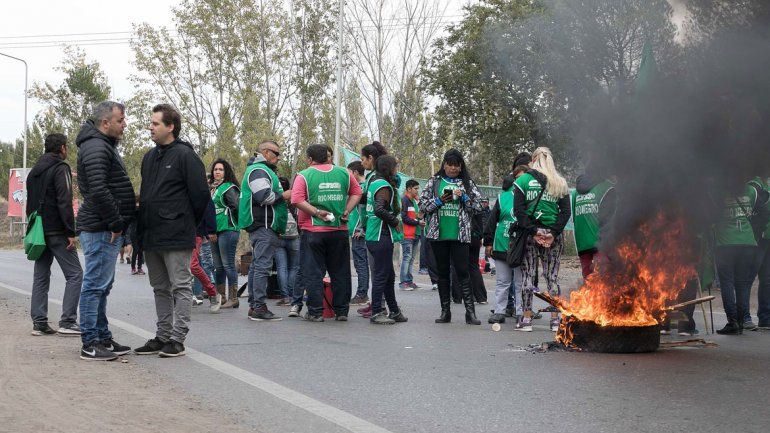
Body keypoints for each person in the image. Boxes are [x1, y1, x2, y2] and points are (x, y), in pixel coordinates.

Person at [134, 104, 210, 358]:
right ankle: (162, 335)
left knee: (180, 286)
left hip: (177, 233)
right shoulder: (149, 157)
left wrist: (186, 222)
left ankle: (177, 339)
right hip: (151, 234)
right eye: (151, 123)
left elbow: (200, 196)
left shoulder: (186, 156)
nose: (151, 128)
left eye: (155, 123)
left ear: (171, 126)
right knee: (159, 287)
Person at [76, 101, 136, 361]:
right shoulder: (96, 146)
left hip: (104, 226)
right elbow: (98, 189)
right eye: (121, 120)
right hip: (101, 227)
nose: (124, 125)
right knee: (94, 286)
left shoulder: (102, 145)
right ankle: (90, 343)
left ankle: (102, 337)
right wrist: (114, 222)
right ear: (105, 123)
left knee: (102, 285)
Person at [292, 144, 363, 322]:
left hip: (313, 231)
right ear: (327, 156)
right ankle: (341, 311)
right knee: (340, 272)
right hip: (339, 230)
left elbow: (296, 199)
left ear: (310, 159)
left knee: (313, 273)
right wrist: (347, 210)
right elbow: (357, 192)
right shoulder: (344, 173)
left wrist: (316, 212)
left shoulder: (304, 175)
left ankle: (315, 312)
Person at [26, 133, 83, 337]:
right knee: (75, 274)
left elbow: (29, 203)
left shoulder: (34, 172)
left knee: (41, 275)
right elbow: (64, 201)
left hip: (39, 230)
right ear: (62, 148)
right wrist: (70, 231)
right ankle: (68, 321)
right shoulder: (61, 168)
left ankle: (39, 323)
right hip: (58, 230)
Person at [418, 148, 483, 325]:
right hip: (438, 236)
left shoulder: (467, 183)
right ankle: (445, 311)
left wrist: (465, 199)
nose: (453, 168)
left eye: (456, 165)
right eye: (450, 165)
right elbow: (422, 206)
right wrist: (439, 201)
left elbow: (479, 207)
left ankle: (470, 313)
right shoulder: (434, 182)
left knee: (463, 272)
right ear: (444, 165)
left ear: (461, 167)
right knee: (442, 273)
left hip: (460, 236)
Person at [513, 147, 571, 332]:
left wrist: (534, 231)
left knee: (528, 275)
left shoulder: (522, 180)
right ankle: (555, 320)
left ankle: (527, 319)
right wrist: (552, 233)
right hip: (553, 237)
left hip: (530, 236)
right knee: (552, 277)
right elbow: (565, 212)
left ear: (533, 160)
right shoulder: (560, 183)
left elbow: (519, 212)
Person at [239, 140, 291, 321]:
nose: (278, 158)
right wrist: (284, 195)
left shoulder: (260, 170)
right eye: (276, 154)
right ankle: (259, 306)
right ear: (266, 153)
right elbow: (263, 196)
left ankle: (255, 305)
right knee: (262, 266)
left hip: (263, 225)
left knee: (257, 265)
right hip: (264, 225)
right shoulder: (259, 170)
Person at [364, 155, 408, 324]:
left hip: (374, 235)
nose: (396, 170)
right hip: (380, 236)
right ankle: (377, 312)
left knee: (389, 275)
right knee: (382, 276)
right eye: (395, 167)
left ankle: (394, 311)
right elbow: (379, 209)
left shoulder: (374, 183)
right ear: (389, 168)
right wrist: (395, 221)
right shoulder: (383, 186)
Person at [714, 180, 761, 335]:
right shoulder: (751, 190)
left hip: (726, 243)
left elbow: (709, 213)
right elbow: (760, 211)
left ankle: (733, 322)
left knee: (727, 282)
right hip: (747, 242)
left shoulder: (719, 189)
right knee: (742, 284)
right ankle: (741, 321)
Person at [484, 165, 529, 325]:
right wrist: (488, 242)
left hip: (521, 246)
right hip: (502, 245)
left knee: (519, 282)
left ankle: (520, 312)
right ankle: (499, 311)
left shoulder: (531, 197)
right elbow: (491, 221)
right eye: (517, 178)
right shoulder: (503, 197)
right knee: (503, 281)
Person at [356, 141, 389, 318]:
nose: (362, 163)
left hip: (378, 230)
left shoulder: (379, 179)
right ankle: (377, 303)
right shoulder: (372, 177)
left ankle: (380, 306)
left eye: (363, 159)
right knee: (376, 269)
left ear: (371, 158)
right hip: (370, 228)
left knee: (379, 270)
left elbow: (379, 206)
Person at [572, 168, 617, 279]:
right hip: (601, 243)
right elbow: (613, 217)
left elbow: (574, 218)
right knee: (603, 281)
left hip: (582, 243)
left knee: (588, 280)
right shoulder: (607, 188)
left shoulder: (574, 193)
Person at [209, 159, 241, 308]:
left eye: (221, 169)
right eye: (215, 169)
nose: (217, 172)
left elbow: (236, 207)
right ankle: (221, 297)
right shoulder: (212, 189)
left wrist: (233, 224)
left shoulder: (229, 187)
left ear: (226, 172)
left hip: (228, 230)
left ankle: (234, 298)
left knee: (228, 265)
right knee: (218, 266)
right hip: (214, 232)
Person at [190, 199, 221, 313]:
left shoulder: (200, 190)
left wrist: (211, 230)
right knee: (178, 266)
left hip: (196, 232)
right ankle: (182, 296)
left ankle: (213, 293)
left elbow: (208, 205)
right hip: (178, 232)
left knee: (193, 265)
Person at [275, 176, 300, 307]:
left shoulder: (276, 199)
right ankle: (291, 294)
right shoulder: (293, 199)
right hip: (295, 236)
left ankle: (285, 297)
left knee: (281, 267)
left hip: (279, 236)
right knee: (294, 267)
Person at [749, 176, 770, 330]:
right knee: (747, 279)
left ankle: (765, 317)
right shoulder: (755, 185)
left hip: (767, 238)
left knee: (767, 280)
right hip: (758, 239)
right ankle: (741, 317)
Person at [347, 161, 370, 305]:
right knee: (360, 263)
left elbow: (365, 211)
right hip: (355, 230)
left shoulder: (362, 188)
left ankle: (362, 294)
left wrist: (361, 229)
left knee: (361, 263)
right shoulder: (359, 187)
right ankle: (362, 293)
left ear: (355, 172)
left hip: (358, 232)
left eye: (349, 173)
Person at [399, 179, 424, 291]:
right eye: (415, 189)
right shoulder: (404, 200)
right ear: (409, 189)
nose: (417, 191)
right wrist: (417, 222)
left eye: (418, 189)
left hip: (416, 234)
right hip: (407, 235)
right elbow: (404, 218)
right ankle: (403, 282)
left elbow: (417, 215)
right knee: (407, 258)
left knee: (411, 258)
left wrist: (419, 219)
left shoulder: (414, 201)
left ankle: (409, 281)